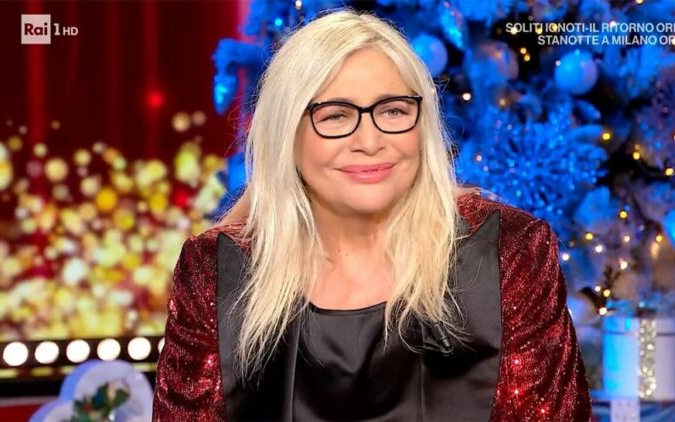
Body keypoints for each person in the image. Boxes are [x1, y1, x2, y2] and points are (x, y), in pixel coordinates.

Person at [153, 9, 591, 421]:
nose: (369, 141)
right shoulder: (216, 270)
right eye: (335, 116)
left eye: (393, 110)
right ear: (286, 133)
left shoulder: (509, 250)